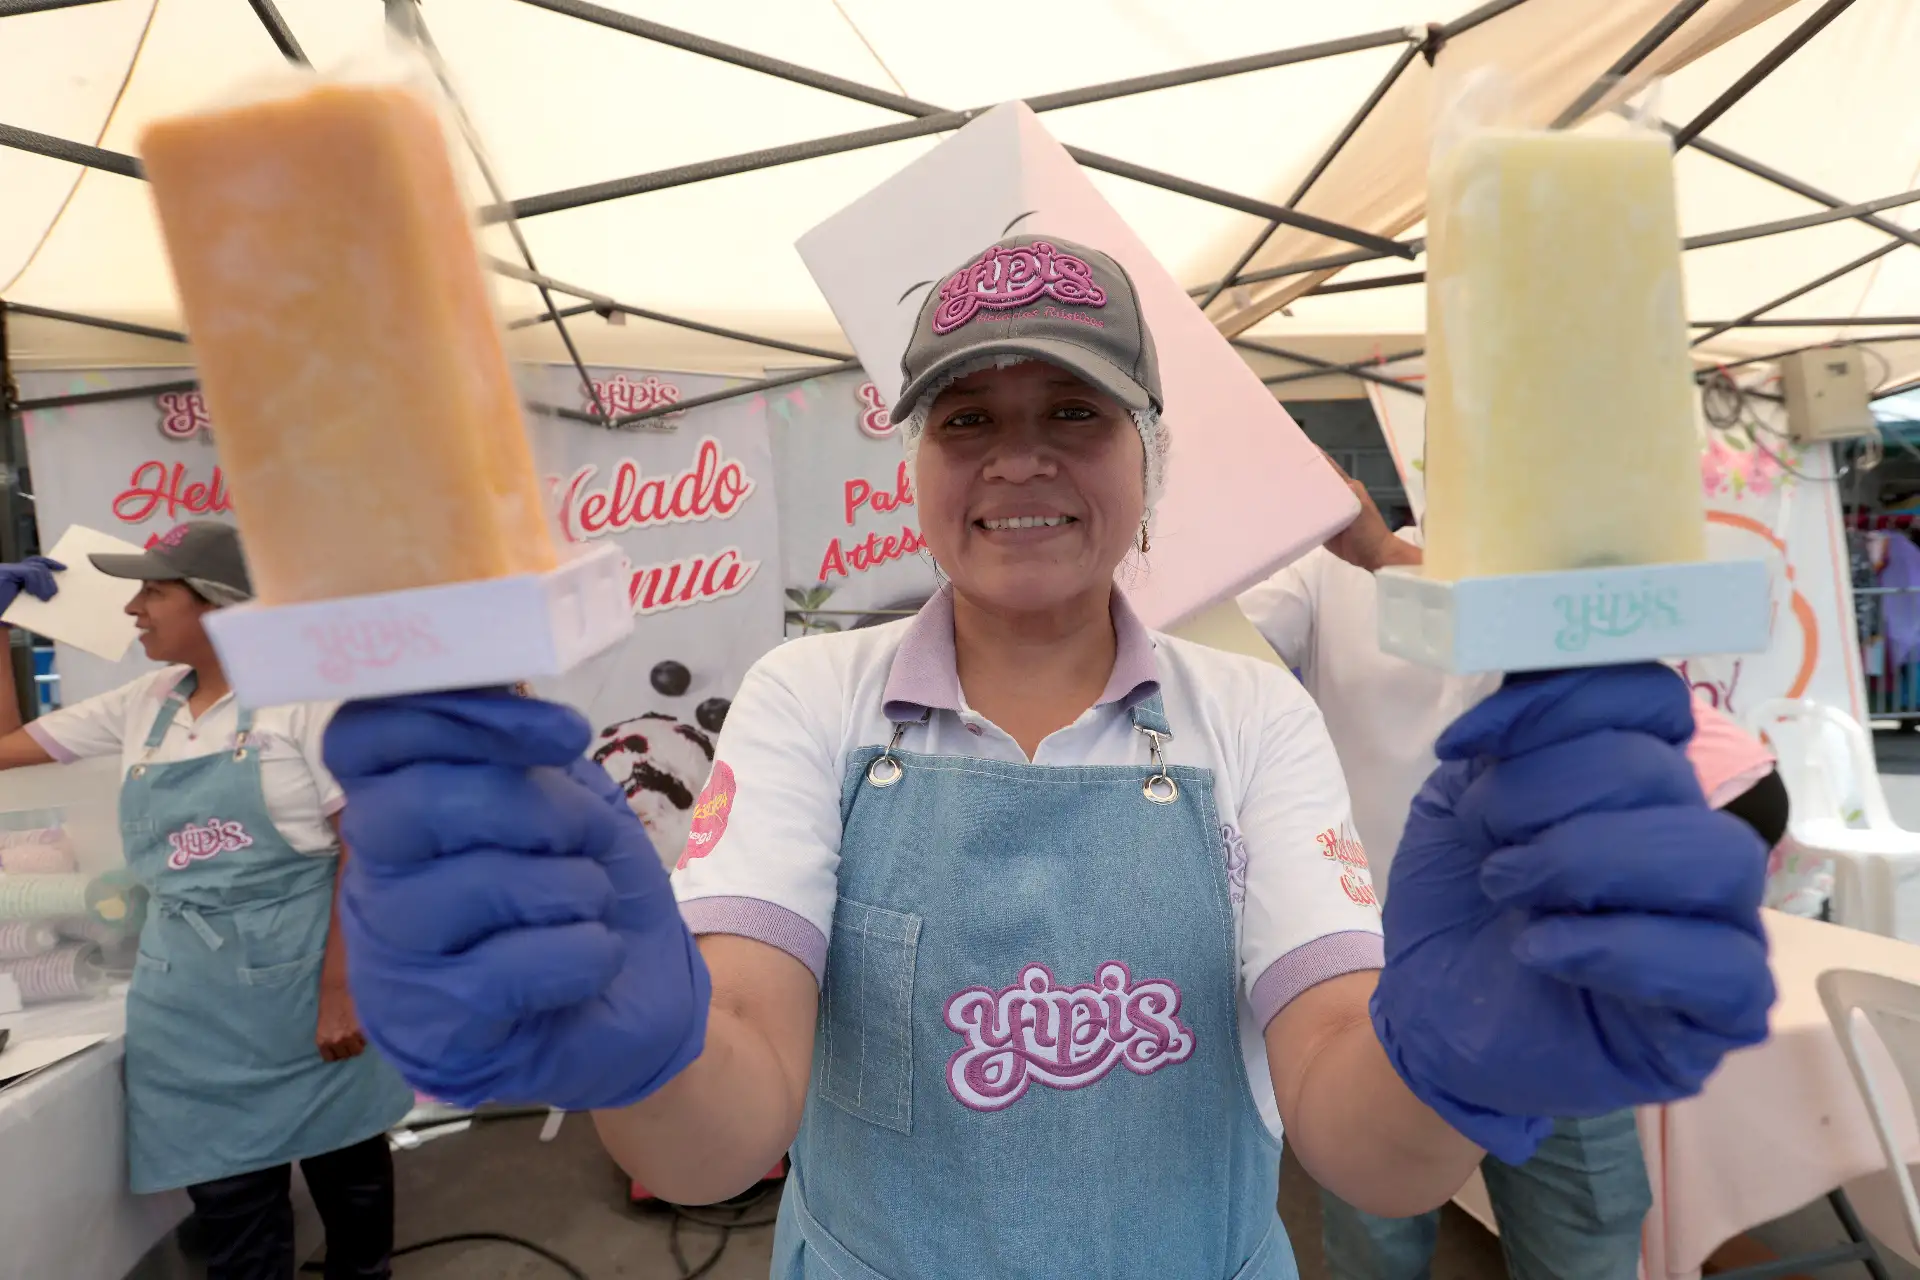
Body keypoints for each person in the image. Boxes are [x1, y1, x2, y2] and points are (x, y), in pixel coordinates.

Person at [320, 235, 1774, 1279]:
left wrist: (1452, 1064)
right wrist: (635, 1042)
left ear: (1149, 463)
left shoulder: (1248, 713)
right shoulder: (808, 699)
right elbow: (717, 1137)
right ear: (917, 469)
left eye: (1073, 411)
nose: (1020, 457)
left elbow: (1358, 1137)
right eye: (971, 419)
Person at [1240, 463, 1790, 1280]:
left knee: (1587, 1239)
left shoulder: (1586, 593)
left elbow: (1576, 639)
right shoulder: (1322, 577)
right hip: (1372, 983)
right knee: (1376, 1246)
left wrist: (1383, 551)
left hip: (1565, 972)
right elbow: (1198, 644)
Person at [0, 522, 414, 1280]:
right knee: (226, 1197)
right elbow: (5, 746)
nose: (134, 608)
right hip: (186, 998)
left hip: (305, 975)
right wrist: (0, 629)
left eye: (154, 591)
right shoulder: (145, 701)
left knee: (345, 1161)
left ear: (222, 607)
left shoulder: (308, 702)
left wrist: (339, 992)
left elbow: (369, 848)